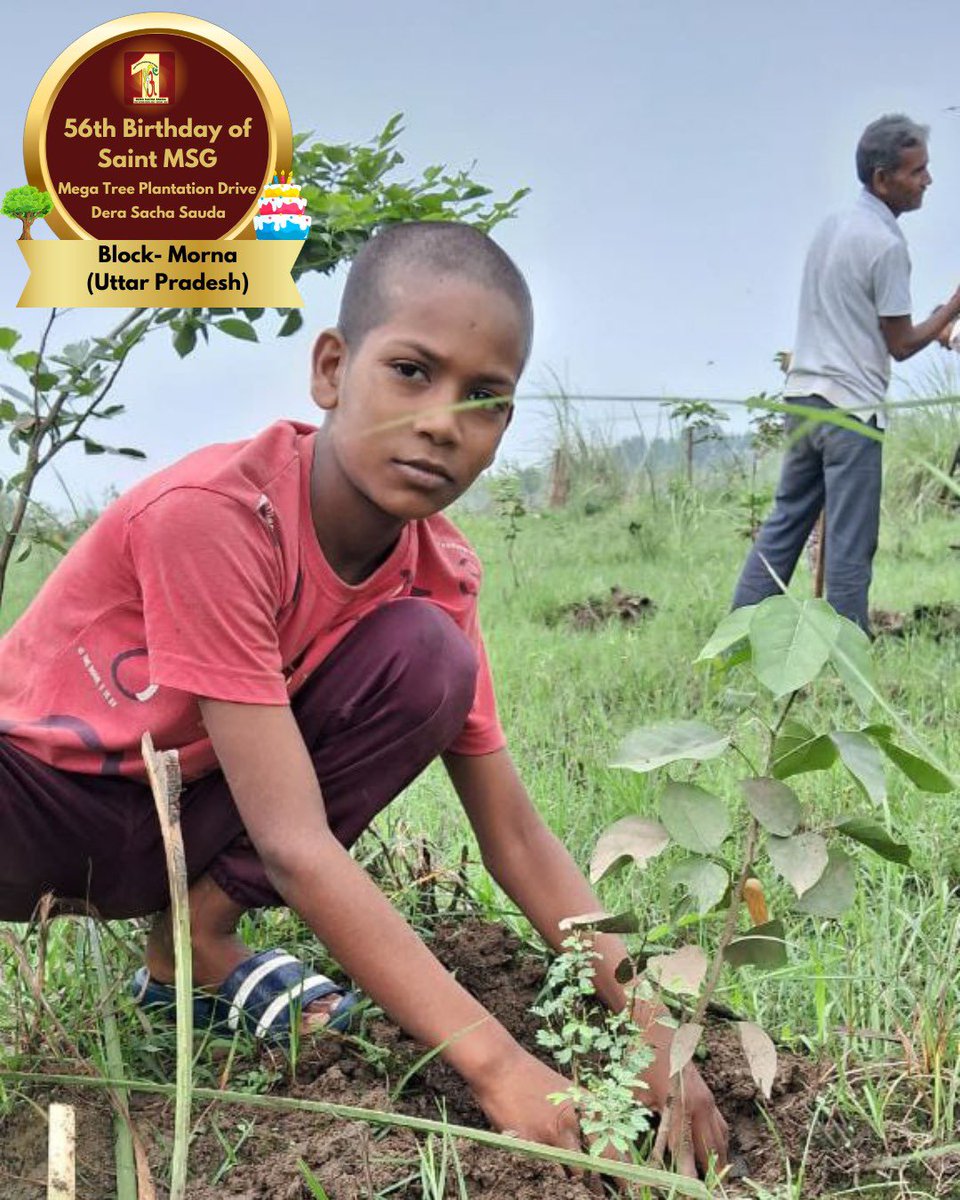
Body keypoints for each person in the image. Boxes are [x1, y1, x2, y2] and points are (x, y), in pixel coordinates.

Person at [0, 223, 727, 1174]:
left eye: (483, 399)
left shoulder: (442, 577)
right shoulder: (218, 519)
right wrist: (498, 1065)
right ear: (333, 369)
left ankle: (192, 948)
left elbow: (514, 835)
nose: (441, 421)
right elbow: (298, 848)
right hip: (35, 806)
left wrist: (651, 1023)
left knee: (428, 659)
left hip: (181, 816)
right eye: (413, 371)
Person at [732, 114, 960, 633]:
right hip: (852, 414)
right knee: (852, 547)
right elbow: (900, 346)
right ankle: (848, 663)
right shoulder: (887, 245)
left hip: (803, 400)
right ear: (883, 179)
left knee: (783, 528)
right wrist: (952, 306)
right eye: (917, 171)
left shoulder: (832, 226)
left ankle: (735, 640)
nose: (928, 180)